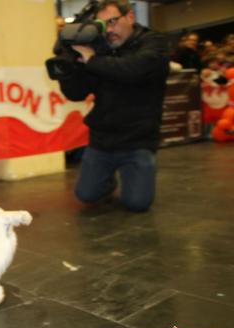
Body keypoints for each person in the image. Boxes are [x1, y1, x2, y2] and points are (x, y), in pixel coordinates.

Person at [57, 0, 170, 212]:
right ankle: (108, 182)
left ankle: (130, 176)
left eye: (113, 21)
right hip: (102, 140)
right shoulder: (99, 49)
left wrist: (91, 60)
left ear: (130, 17)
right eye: (102, 25)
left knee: (137, 204)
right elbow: (76, 93)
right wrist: (68, 66)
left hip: (139, 140)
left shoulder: (154, 43)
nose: (109, 30)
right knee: (86, 195)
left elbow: (132, 71)